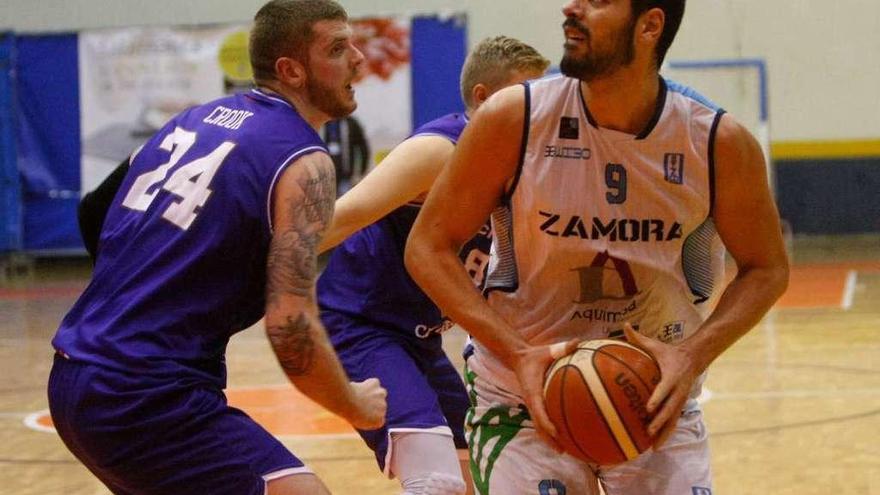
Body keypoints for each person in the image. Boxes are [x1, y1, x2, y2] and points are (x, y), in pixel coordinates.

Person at [405, 1, 790, 494]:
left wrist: (692, 356)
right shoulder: (513, 118)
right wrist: (519, 353)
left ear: (650, 25)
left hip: (653, 398)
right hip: (520, 396)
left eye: (598, 0)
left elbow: (766, 269)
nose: (571, 7)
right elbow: (427, 246)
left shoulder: (716, 142)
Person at [47, 1, 387, 494]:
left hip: (74, 375)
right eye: (338, 48)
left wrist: (145, 290)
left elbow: (93, 208)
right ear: (291, 70)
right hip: (146, 393)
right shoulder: (305, 160)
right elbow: (290, 326)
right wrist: (352, 403)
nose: (359, 59)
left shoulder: (192, 119)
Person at [316, 37, 549, 495]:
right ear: (483, 99)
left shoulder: (523, 163)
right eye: (527, 96)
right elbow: (336, 220)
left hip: (419, 338)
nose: (538, 110)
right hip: (358, 325)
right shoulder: (438, 151)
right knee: (435, 479)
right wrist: (238, 264)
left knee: (474, 474)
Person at [321, 115, 371, 195]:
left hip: (345, 173)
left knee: (344, 200)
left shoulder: (350, 123)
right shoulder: (321, 122)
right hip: (324, 176)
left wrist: (361, 170)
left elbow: (363, 147)